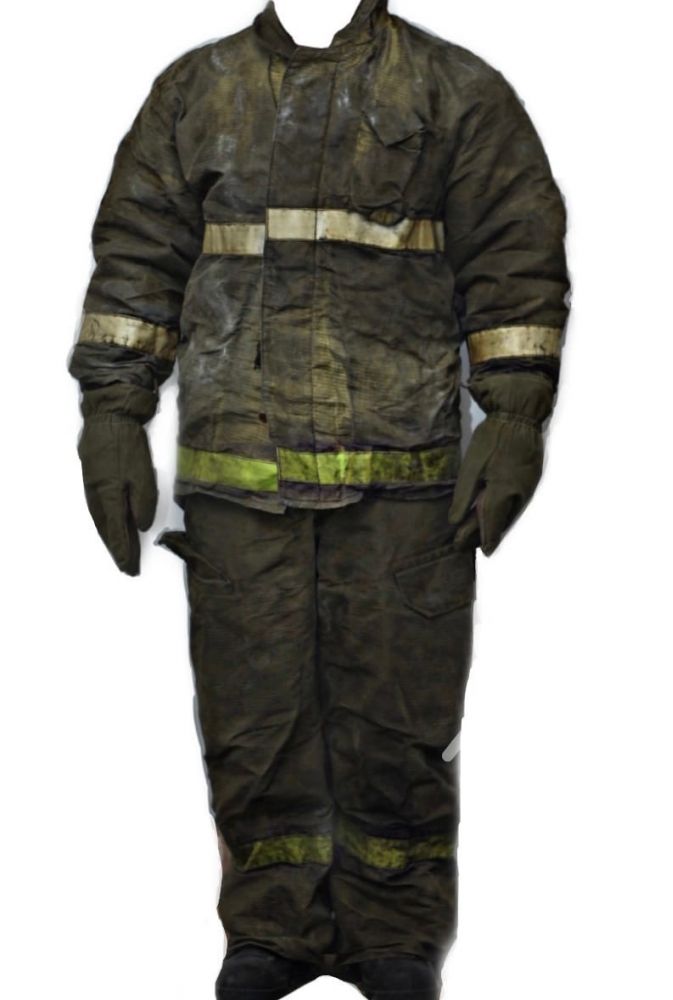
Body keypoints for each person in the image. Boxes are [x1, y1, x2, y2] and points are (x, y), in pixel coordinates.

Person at [68, 1, 570, 997]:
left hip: (402, 480)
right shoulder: (195, 90)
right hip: (241, 481)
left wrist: (515, 413)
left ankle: (395, 934)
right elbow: (136, 261)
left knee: (397, 716)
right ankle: (271, 930)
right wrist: (111, 412)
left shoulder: (454, 90)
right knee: (252, 720)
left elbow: (514, 261)